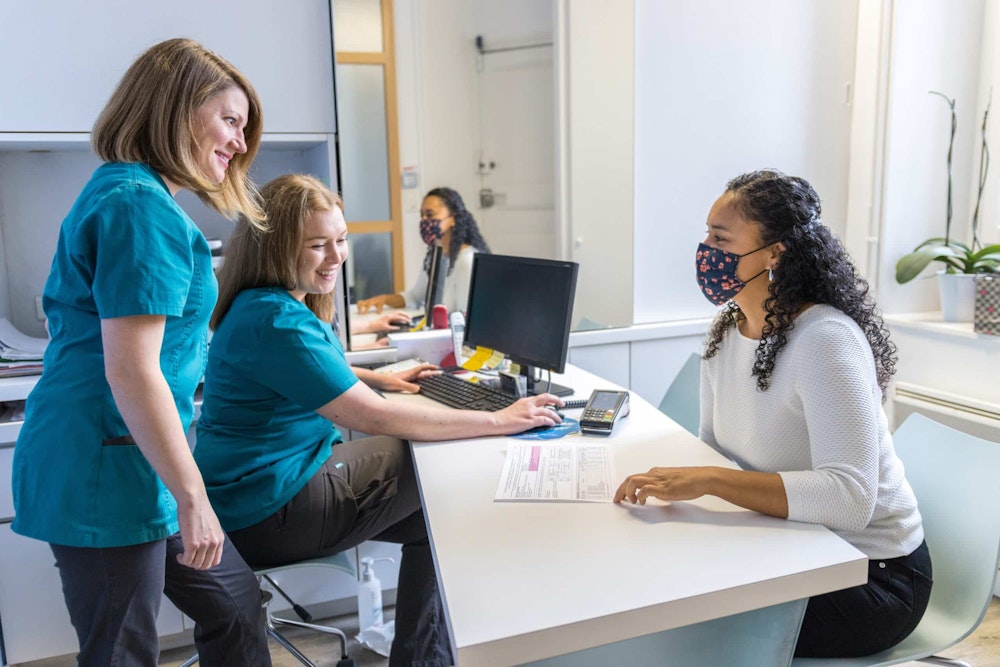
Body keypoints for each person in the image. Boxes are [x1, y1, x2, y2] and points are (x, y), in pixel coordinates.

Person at [194, 173, 562, 667]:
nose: (336, 256)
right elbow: (375, 420)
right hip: (272, 509)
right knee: (437, 464)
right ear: (277, 248)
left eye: (341, 240)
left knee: (433, 520)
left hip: (255, 498)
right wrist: (500, 418)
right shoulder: (277, 320)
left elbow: (311, 366)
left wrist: (375, 375)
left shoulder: (264, 305)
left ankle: (421, 658)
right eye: (317, 245)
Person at [10, 39, 272, 666]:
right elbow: (133, 369)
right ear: (178, 108)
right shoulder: (137, 206)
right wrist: (193, 497)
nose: (239, 142)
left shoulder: (138, 196)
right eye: (229, 120)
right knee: (122, 653)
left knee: (235, 606)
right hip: (105, 469)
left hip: (137, 461)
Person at [614, 169, 932, 659]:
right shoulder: (727, 327)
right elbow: (713, 449)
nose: (706, 251)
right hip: (788, 544)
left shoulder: (825, 339)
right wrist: (686, 481)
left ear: (775, 253)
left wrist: (711, 482)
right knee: (650, 580)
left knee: (671, 621)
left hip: (871, 576)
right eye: (706, 235)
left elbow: (849, 498)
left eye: (721, 238)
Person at [356, 187, 490, 316]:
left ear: (453, 218)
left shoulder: (466, 261)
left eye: (430, 214)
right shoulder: (435, 256)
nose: (424, 220)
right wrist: (385, 299)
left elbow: (466, 318)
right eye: (422, 215)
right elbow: (415, 297)